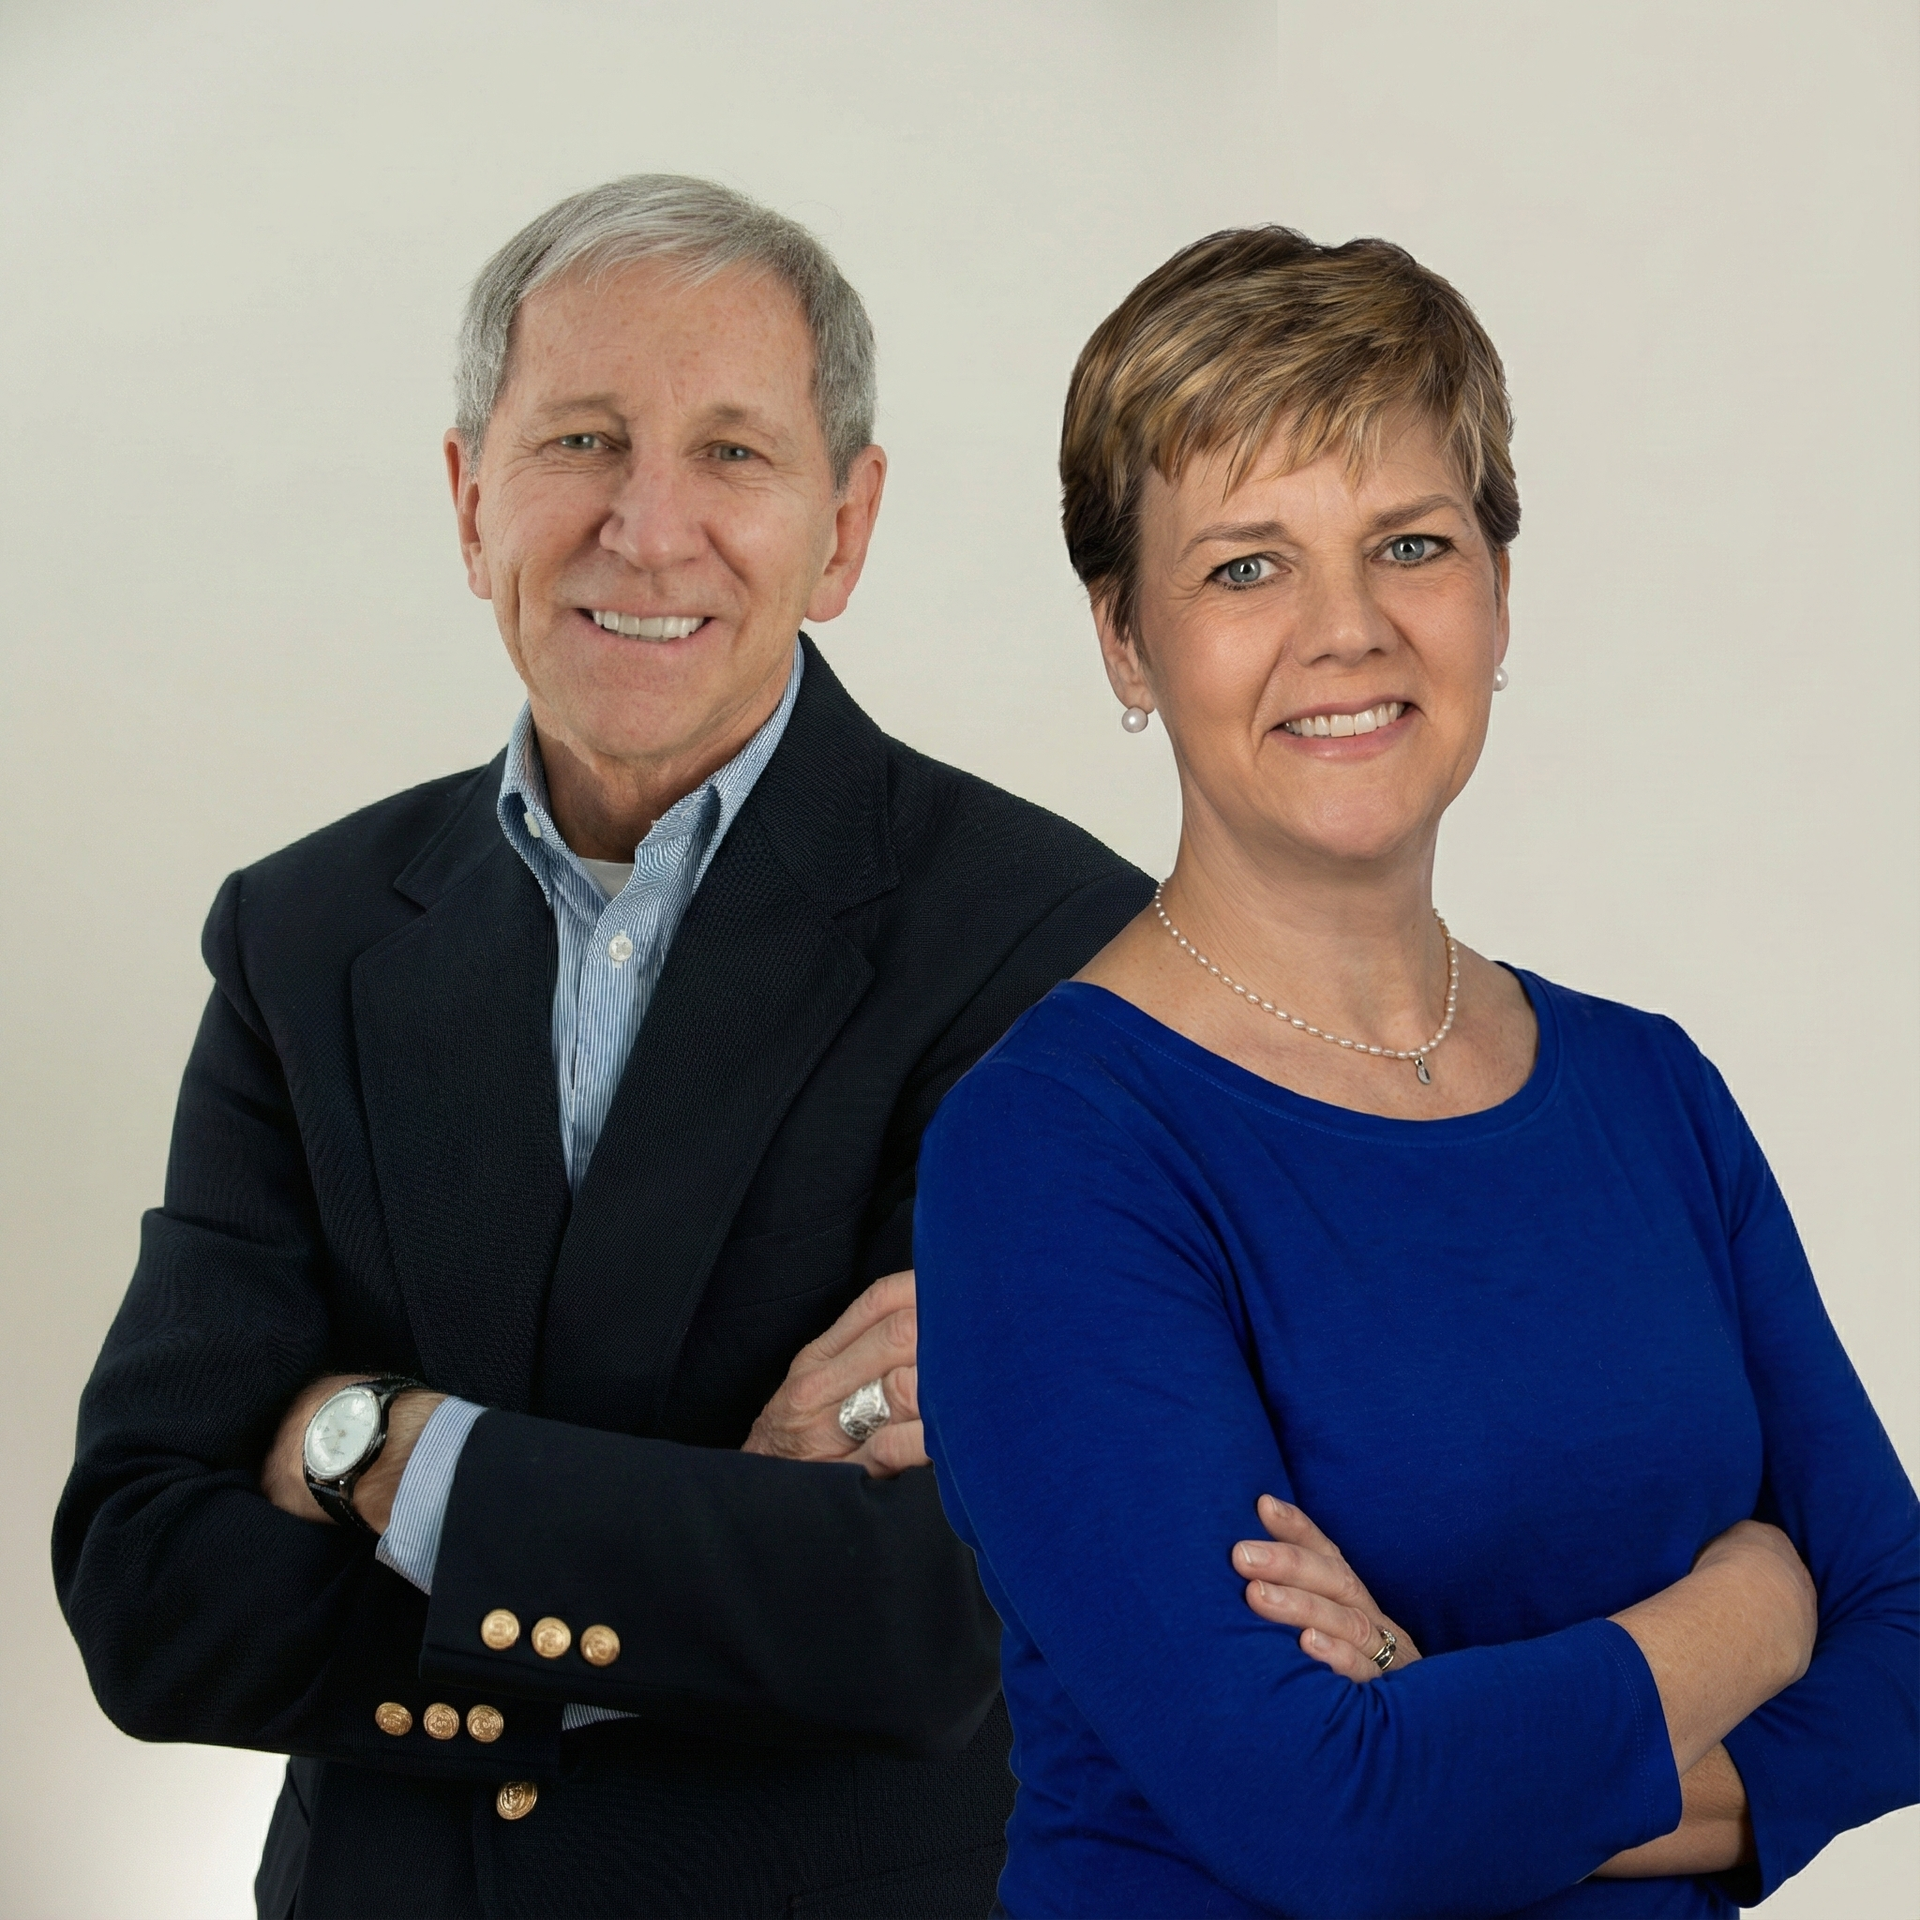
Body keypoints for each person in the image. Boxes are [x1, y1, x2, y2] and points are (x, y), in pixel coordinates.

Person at [53, 175, 1151, 1920]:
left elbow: (921, 1623)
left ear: (844, 528)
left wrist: (369, 1442)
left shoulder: (1048, 949)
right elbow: (144, 1582)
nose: (647, 528)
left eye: (732, 453)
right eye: (579, 438)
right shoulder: (304, 937)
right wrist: (718, 1548)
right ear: (468, 496)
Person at [914, 225, 1919, 1919]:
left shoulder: (1648, 1091)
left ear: (1499, 593)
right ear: (1124, 641)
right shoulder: (1052, 1155)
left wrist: (1449, 1724)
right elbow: (1331, 1816)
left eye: (1411, 543)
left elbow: (1906, 1643)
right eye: (1245, 566)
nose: (1348, 630)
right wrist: (1748, 1613)